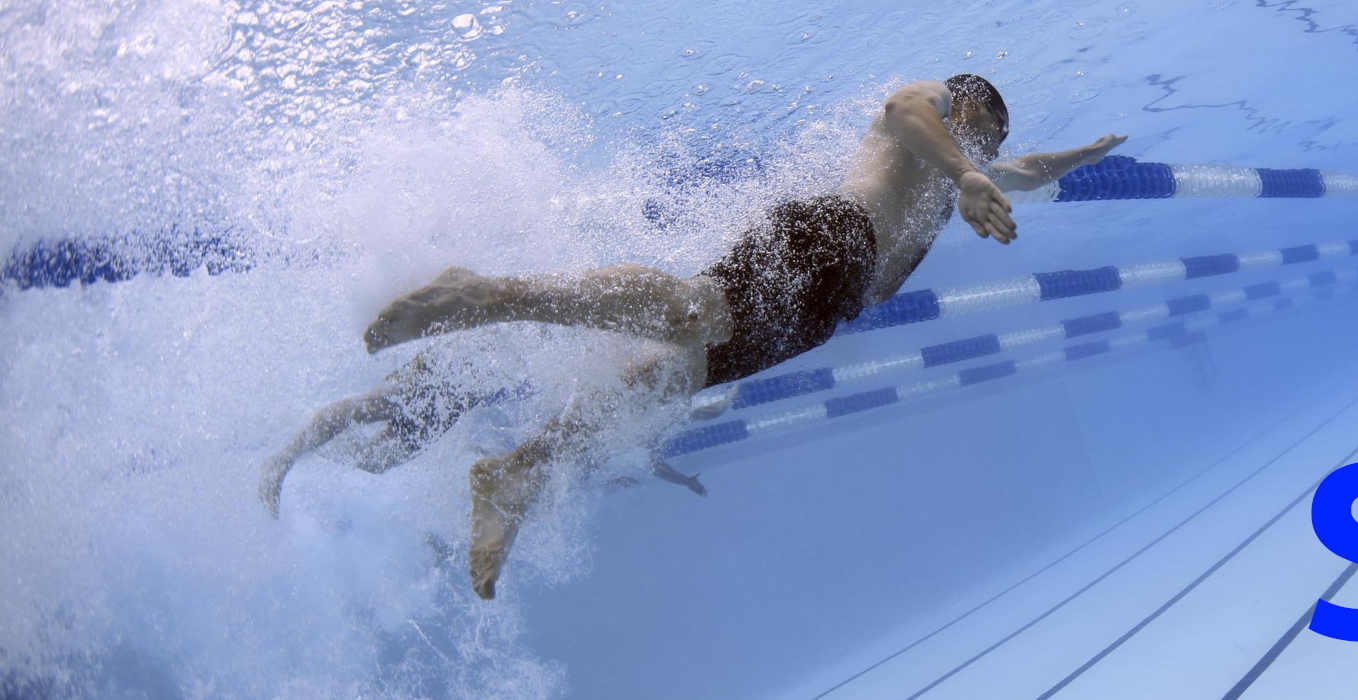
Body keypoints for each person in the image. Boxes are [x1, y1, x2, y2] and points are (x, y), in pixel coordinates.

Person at [353, 74, 1126, 599]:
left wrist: (1080, 156)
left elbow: (1021, 170)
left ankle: (520, 469)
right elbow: (900, 112)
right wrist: (963, 172)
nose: (983, 153)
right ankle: (483, 295)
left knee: (666, 380)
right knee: (693, 312)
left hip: (826, 310)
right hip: (834, 235)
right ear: (961, 107)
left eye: (988, 146)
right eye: (978, 133)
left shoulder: (971, 166)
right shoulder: (934, 113)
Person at [258, 350, 716, 519]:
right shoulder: (616, 372)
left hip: (459, 397)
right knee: (379, 407)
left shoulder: (639, 420)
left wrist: (686, 481)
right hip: (450, 369)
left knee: (380, 460)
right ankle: (286, 454)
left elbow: (655, 462)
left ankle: (311, 452)